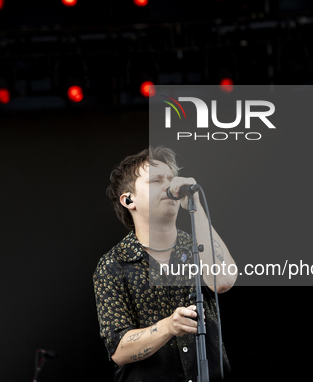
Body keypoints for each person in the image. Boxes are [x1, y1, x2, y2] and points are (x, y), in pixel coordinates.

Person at [93, 146, 237, 381]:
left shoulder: (196, 246)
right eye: (156, 180)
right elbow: (118, 349)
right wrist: (169, 326)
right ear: (129, 199)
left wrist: (195, 205)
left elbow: (224, 280)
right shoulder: (113, 264)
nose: (169, 186)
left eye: (170, 178)